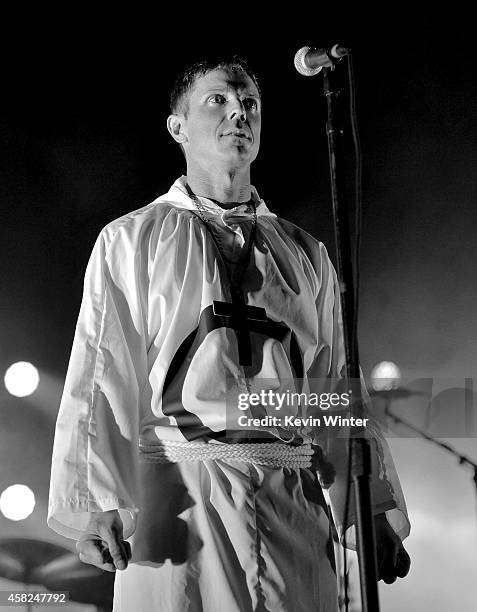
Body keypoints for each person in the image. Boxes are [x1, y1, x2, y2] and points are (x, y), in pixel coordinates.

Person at [48, 55, 411, 611]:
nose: (238, 112)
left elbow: (334, 385)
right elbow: (102, 371)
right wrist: (100, 502)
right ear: (177, 126)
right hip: (181, 503)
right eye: (218, 100)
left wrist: (372, 511)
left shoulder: (307, 253)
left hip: (293, 506)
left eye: (250, 105)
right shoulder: (132, 239)